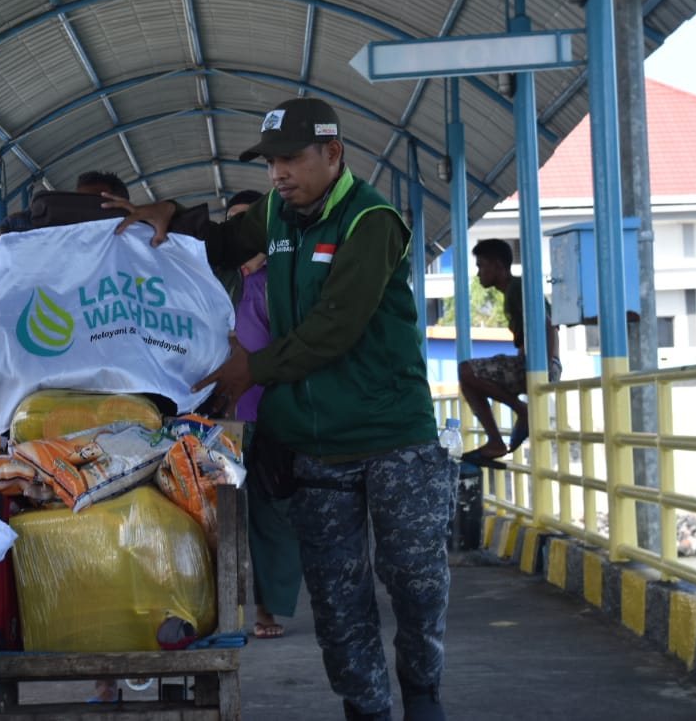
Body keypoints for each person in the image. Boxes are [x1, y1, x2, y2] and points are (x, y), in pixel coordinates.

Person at [105, 97, 454, 721]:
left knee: (414, 579)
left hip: (392, 438)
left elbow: (334, 326)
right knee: (337, 599)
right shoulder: (277, 214)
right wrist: (171, 217)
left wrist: (252, 370)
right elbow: (217, 240)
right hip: (314, 448)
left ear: (333, 154)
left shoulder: (370, 220)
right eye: (271, 163)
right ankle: (367, 710)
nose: (279, 174)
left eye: (291, 159)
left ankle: (423, 695)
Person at [228, 194, 302, 640]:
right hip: (219, 420)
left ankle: (266, 607)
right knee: (217, 518)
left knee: (271, 514)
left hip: (270, 415)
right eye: (233, 225)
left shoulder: (281, 284)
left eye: (248, 224)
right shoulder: (217, 282)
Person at [458, 238, 562, 465]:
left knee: (466, 370)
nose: (478, 274)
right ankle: (496, 440)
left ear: (497, 265)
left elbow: (547, 323)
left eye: (481, 266)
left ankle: (519, 412)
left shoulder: (517, 288)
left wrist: (542, 367)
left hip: (540, 365)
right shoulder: (511, 291)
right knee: (467, 378)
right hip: (536, 363)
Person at [215, 189, 266, 304]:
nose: (234, 225)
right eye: (230, 219)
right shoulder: (217, 271)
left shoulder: (282, 264)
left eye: (244, 218)